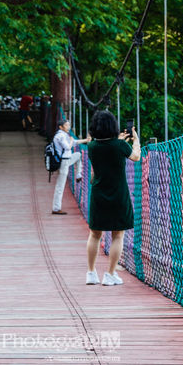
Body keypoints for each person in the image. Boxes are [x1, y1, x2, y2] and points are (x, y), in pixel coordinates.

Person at [85, 109, 141, 286]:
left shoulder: (92, 146)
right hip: (118, 194)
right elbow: (136, 156)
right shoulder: (120, 146)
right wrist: (136, 140)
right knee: (118, 235)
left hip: (98, 193)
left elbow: (107, 152)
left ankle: (91, 273)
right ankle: (109, 274)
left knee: (95, 234)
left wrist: (120, 142)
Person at [51, 118, 88, 215]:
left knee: (78, 155)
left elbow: (74, 142)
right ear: (61, 127)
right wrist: (71, 140)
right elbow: (68, 146)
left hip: (67, 160)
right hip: (64, 162)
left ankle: (78, 174)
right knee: (60, 185)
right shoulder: (60, 136)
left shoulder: (63, 135)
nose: (69, 127)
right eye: (67, 125)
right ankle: (56, 208)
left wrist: (86, 140)